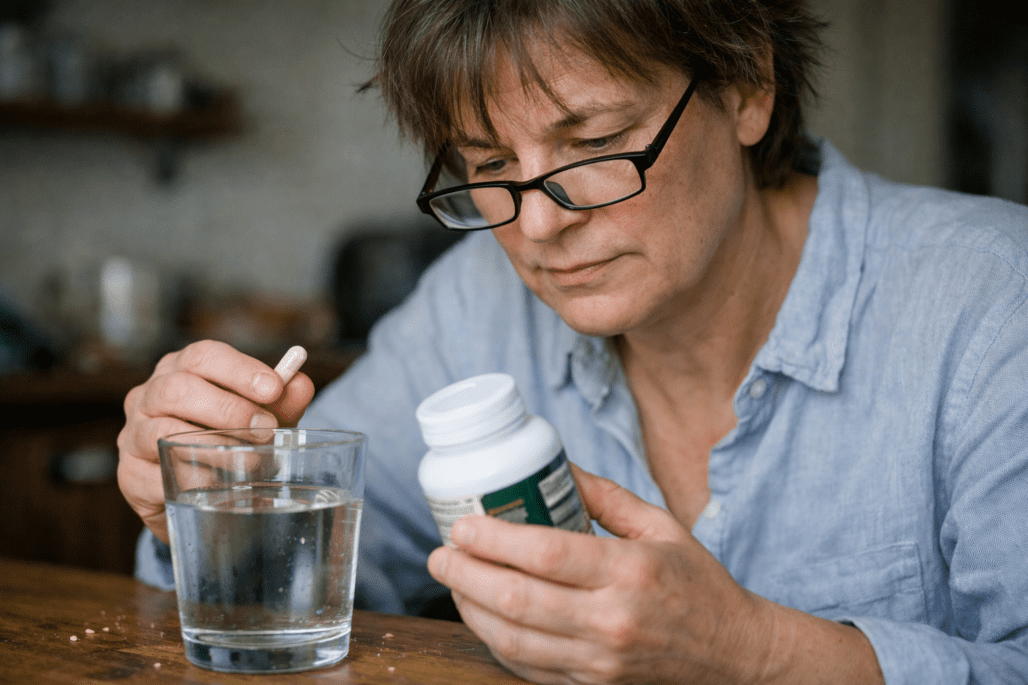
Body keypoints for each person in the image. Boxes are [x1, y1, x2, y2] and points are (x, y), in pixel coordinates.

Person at [118, 0, 1028, 682]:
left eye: (592, 144)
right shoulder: (473, 308)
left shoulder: (992, 299)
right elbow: (300, 590)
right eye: (488, 166)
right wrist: (199, 506)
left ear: (749, 84)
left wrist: (756, 652)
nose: (539, 228)